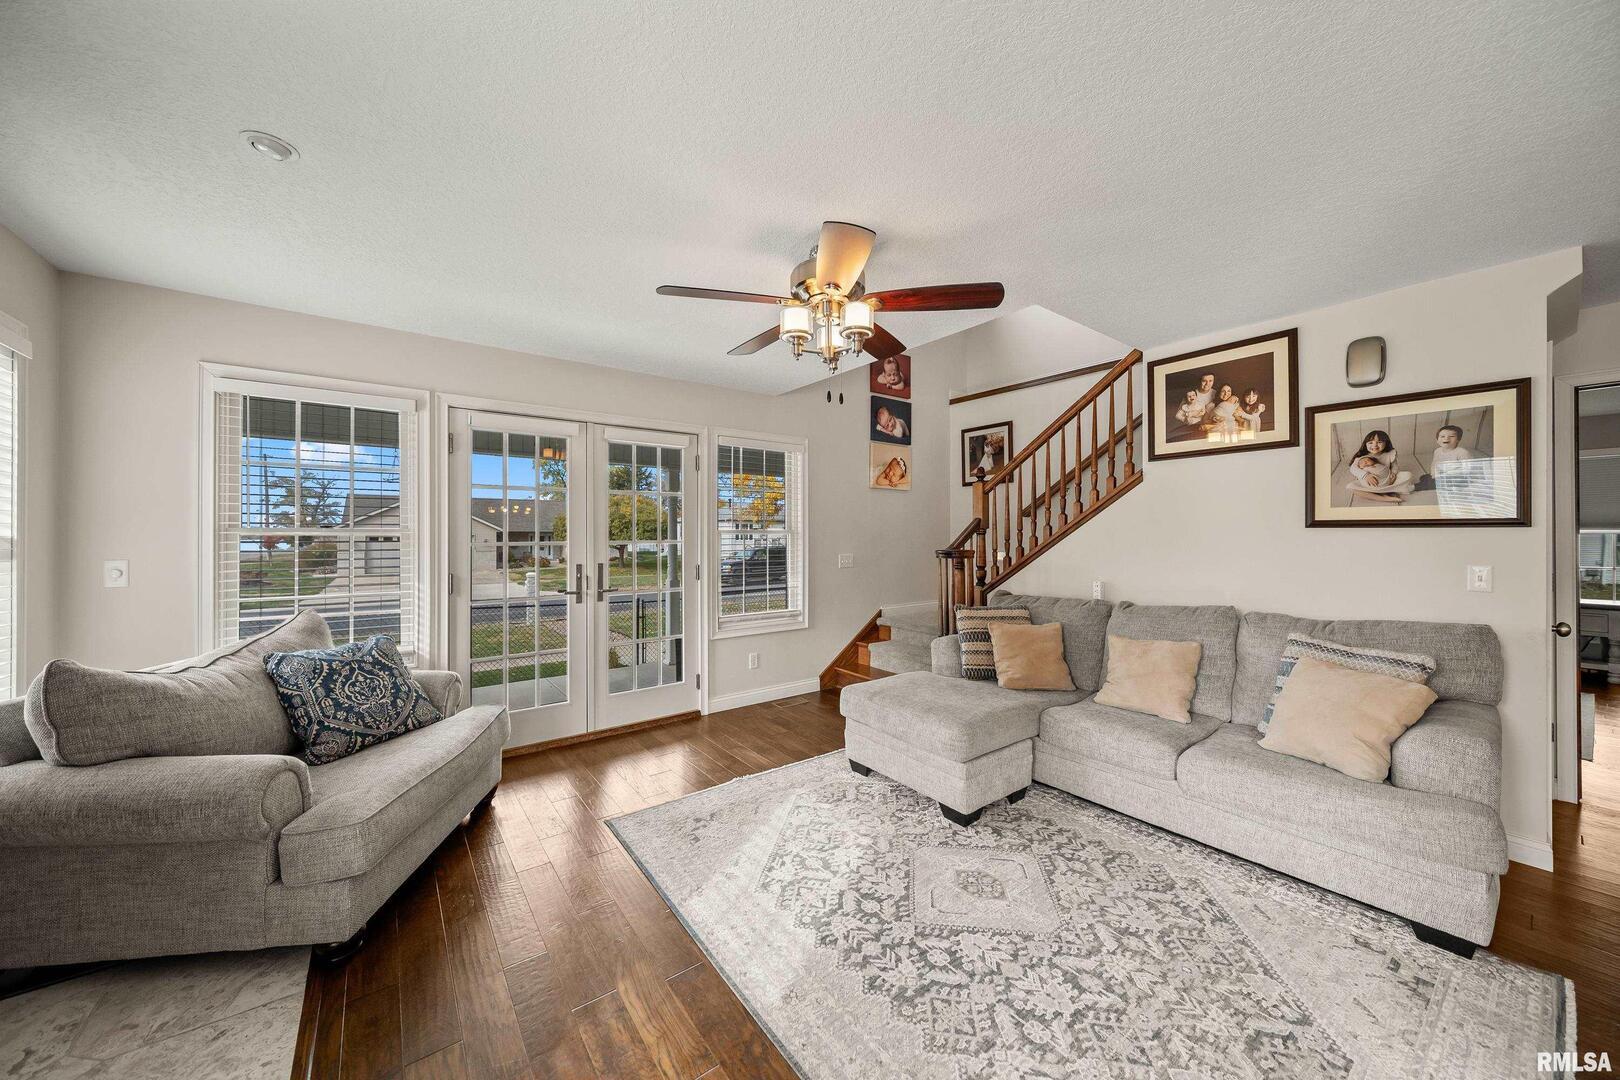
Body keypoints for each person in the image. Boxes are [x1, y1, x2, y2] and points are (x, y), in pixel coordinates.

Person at [1346, 429, 1416, 502]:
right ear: (1365, 444)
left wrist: (1393, 474)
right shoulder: (1362, 457)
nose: (1375, 445)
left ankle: (1383, 491)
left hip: (1387, 481)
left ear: (1386, 443)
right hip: (1369, 484)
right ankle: (1384, 497)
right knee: (1351, 487)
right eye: (1370, 442)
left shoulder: (1390, 454)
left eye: (1379, 442)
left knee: (1408, 475)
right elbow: (1353, 469)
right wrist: (1366, 475)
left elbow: (1395, 466)